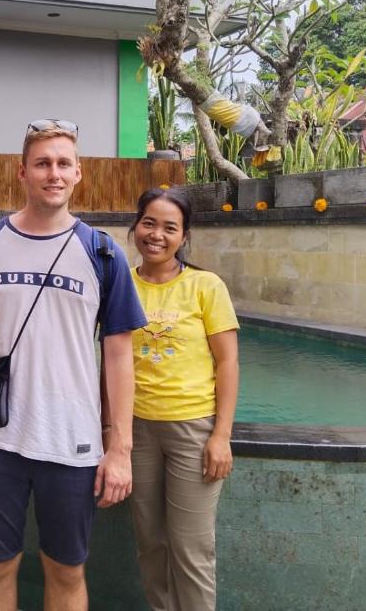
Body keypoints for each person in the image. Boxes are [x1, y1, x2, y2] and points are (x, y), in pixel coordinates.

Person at [0, 120, 147, 611]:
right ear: (22, 172)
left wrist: (120, 448)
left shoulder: (103, 253)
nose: (53, 173)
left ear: (78, 173)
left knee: (66, 570)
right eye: (42, 163)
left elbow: (119, 354)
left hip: (72, 441)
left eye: (62, 164)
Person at [127, 187, 240, 611]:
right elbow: (110, 360)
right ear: (136, 226)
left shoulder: (205, 286)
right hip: (137, 429)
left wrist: (221, 435)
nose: (156, 235)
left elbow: (227, 362)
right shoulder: (121, 284)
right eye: (149, 223)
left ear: (184, 236)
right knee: (150, 542)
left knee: (191, 548)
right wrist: (111, 429)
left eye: (169, 228)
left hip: (192, 428)